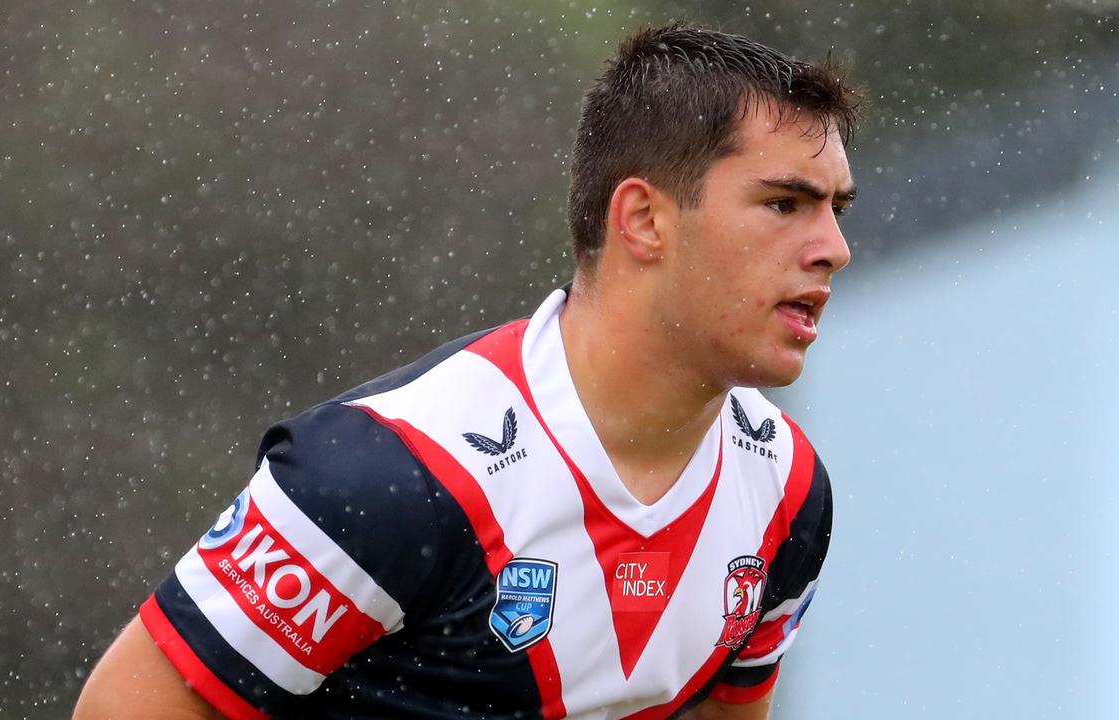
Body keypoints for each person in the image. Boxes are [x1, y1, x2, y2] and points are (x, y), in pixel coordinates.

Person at [75, 22, 862, 720]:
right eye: (785, 204)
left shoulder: (788, 493)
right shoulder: (387, 474)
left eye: (836, 209)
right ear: (644, 220)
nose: (833, 247)